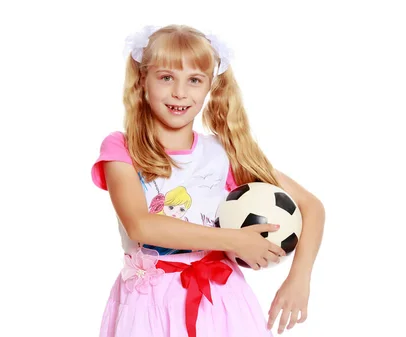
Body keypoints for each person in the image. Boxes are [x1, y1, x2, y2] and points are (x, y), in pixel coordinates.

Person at [91, 24, 325, 337]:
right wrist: (233, 240)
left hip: (222, 303)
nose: (180, 92)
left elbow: (311, 206)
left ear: (209, 87)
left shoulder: (222, 154)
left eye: (194, 80)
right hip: (149, 306)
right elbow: (141, 226)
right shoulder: (122, 148)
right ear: (142, 80)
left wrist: (299, 280)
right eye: (166, 77)